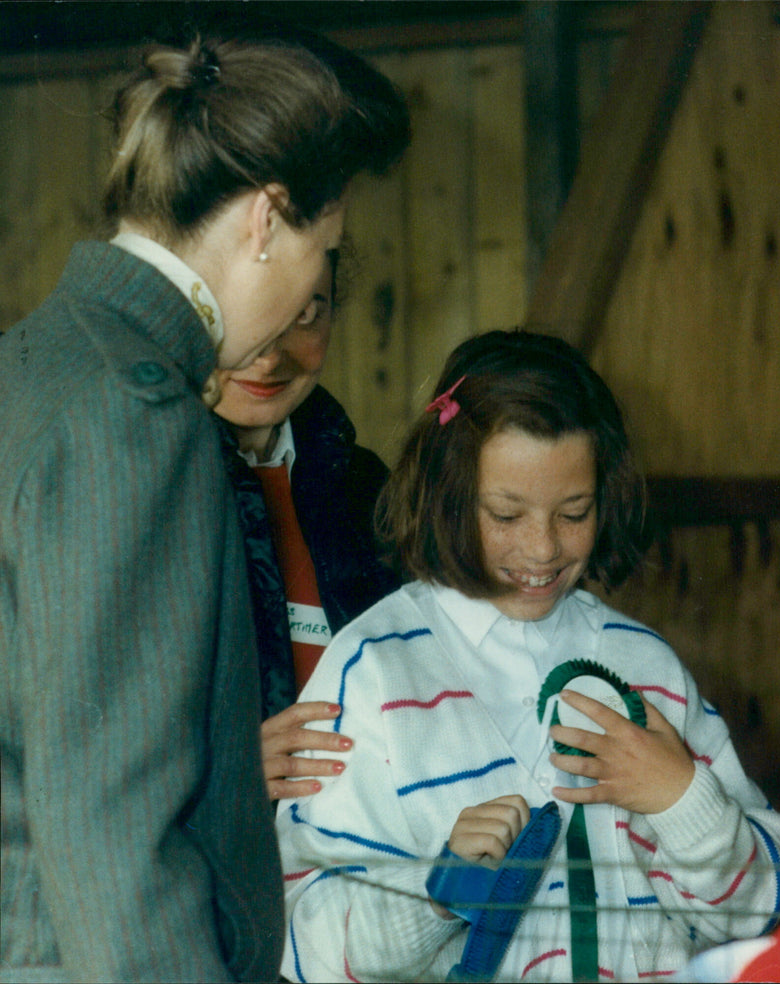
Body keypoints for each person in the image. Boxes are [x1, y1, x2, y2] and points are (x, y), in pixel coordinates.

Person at [0, 30, 408, 984]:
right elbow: (117, 833)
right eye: (326, 247)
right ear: (268, 220)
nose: (315, 284)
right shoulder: (136, 415)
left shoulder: (31, 364)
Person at [275, 329, 780, 983]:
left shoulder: (648, 667)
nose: (543, 547)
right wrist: (433, 893)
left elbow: (754, 912)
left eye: (574, 512)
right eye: (507, 513)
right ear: (450, 492)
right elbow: (303, 941)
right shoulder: (370, 674)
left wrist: (681, 799)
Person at [212, 251, 401, 801]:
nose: (269, 358)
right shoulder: (151, 489)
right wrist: (224, 770)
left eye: (303, 314)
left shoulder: (367, 487)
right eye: (239, 313)